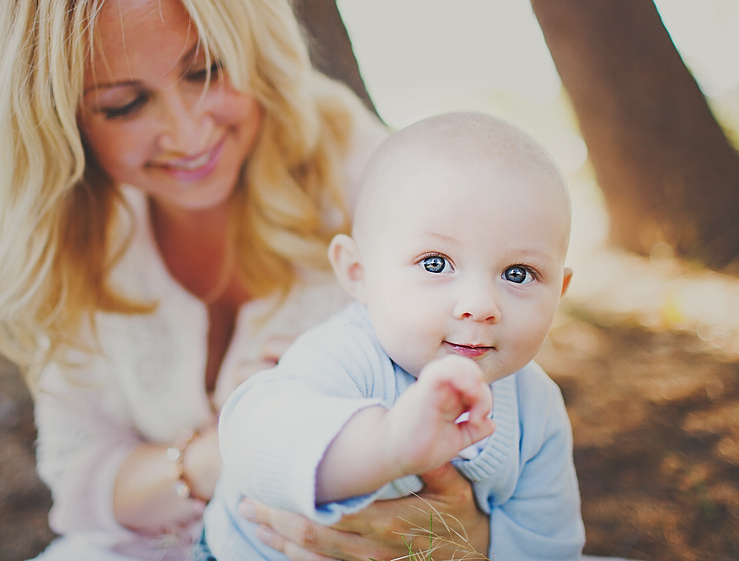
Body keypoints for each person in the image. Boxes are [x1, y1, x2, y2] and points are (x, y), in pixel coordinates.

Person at [0, 0, 493, 559]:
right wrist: (220, 453)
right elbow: (83, 480)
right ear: (57, 120)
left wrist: (473, 539)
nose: (186, 132)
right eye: (124, 105)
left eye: (206, 69)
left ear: (251, 43)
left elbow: (494, 406)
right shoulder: (74, 236)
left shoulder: (368, 178)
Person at [207, 112, 586, 561]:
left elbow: (548, 544)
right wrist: (386, 443)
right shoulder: (347, 355)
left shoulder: (536, 408)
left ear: (558, 292)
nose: (481, 305)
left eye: (518, 273)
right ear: (358, 273)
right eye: (435, 263)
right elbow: (253, 436)